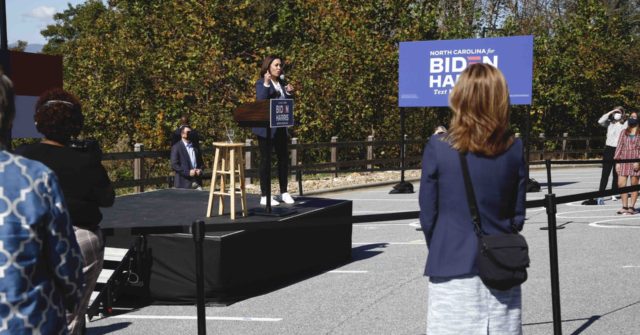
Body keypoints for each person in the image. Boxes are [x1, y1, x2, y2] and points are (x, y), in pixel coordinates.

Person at [419, 63, 526, 334]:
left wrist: (445, 243)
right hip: (502, 263)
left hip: (451, 262)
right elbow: (517, 214)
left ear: (459, 96)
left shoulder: (439, 148)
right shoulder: (515, 148)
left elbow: (428, 215)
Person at [15, 88, 115, 334]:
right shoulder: (85, 160)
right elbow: (107, 198)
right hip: (79, 238)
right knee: (70, 317)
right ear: (75, 124)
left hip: (30, 238)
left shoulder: (22, 156)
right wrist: (95, 161)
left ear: (39, 121)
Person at [0, 74, 84, 334]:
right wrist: (72, 297)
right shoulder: (35, 178)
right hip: (26, 321)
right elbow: (66, 263)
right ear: (11, 117)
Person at [254, 55, 295, 206]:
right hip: (266, 130)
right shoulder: (261, 83)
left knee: (283, 160)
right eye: (276, 65)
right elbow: (261, 100)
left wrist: (289, 93)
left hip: (280, 129)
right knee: (266, 161)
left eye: (280, 65)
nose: (279, 68)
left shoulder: (282, 83)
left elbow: (286, 105)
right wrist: (265, 83)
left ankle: (284, 192)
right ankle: (265, 195)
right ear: (268, 67)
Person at [597, 107, 626, 202]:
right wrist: (611, 112)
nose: (617, 114)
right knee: (605, 173)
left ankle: (613, 193)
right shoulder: (609, 123)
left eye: (619, 112)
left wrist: (624, 116)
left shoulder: (624, 124)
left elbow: (632, 123)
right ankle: (601, 193)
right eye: (616, 112)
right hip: (608, 149)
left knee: (616, 173)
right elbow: (600, 121)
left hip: (619, 149)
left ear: (622, 114)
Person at [614, 111, 640, 215]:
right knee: (621, 184)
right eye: (631, 116)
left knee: (634, 184)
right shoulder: (623, 132)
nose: (632, 118)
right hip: (623, 159)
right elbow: (619, 146)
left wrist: (638, 161)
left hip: (635, 160)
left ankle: (631, 207)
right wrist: (617, 162)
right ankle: (624, 206)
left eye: (634, 116)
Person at [171, 125, 204, 189]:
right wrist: (188, 172)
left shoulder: (195, 147)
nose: (190, 134)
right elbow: (174, 165)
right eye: (188, 132)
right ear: (182, 134)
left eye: (190, 132)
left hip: (197, 182)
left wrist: (200, 170)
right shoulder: (176, 147)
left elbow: (201, 163)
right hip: (183, 184)